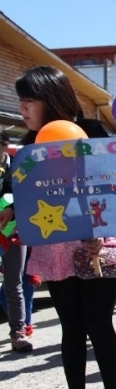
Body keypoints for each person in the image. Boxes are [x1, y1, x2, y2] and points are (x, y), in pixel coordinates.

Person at [12, 65, 116, 389]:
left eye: (28, 101)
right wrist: (8, 211)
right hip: (56, 249)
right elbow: (11, 194)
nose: (22, 109)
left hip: (99, 246)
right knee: (71, 328)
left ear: (50, 99)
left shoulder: (92, 132)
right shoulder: (29, 148)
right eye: (21, 102)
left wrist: (104, 229)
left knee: (99, 322)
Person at [0, 126, 32, 352]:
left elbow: (26, 193)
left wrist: (11, 208)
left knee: (14, 283)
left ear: (3, 146)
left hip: (13, 230)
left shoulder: (17, 165)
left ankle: (18, 333)